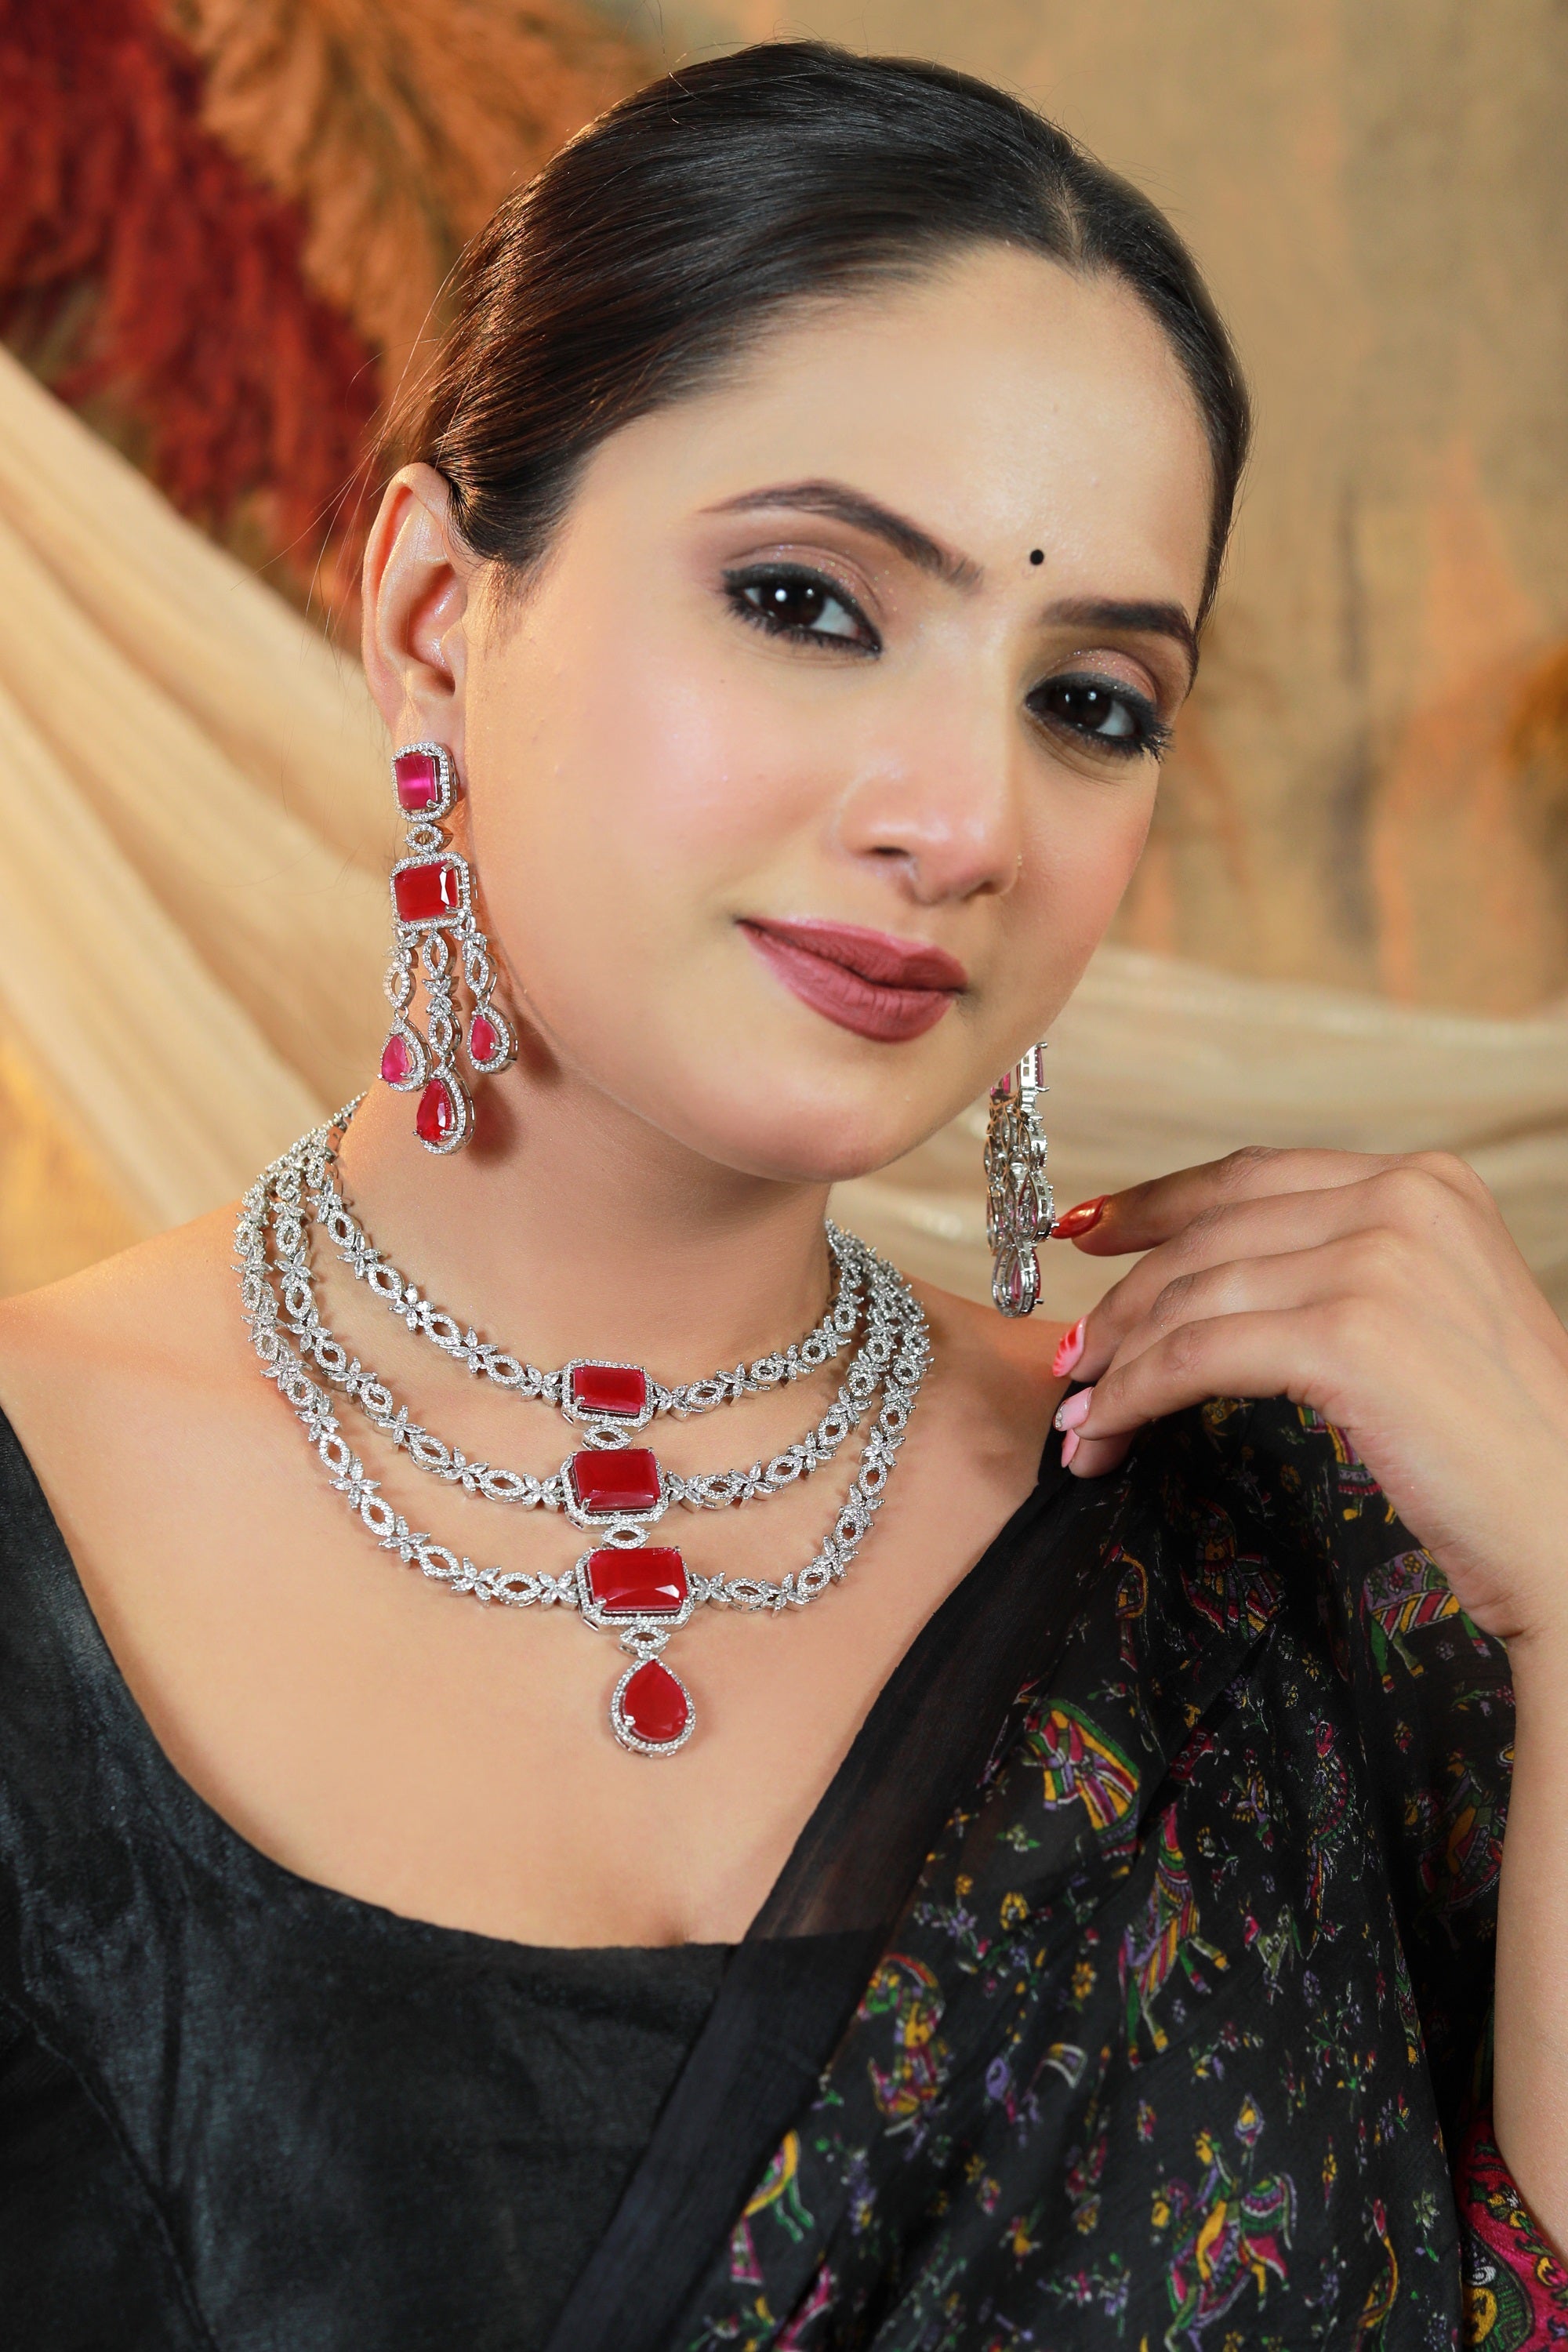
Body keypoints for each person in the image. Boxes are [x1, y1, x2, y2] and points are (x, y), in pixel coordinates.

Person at [0, 38, 1564, 2350]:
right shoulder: (51, 1487)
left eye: (1095, 702)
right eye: (812, 603)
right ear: (438, 611)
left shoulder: (1275, 1556)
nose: (968, 818)